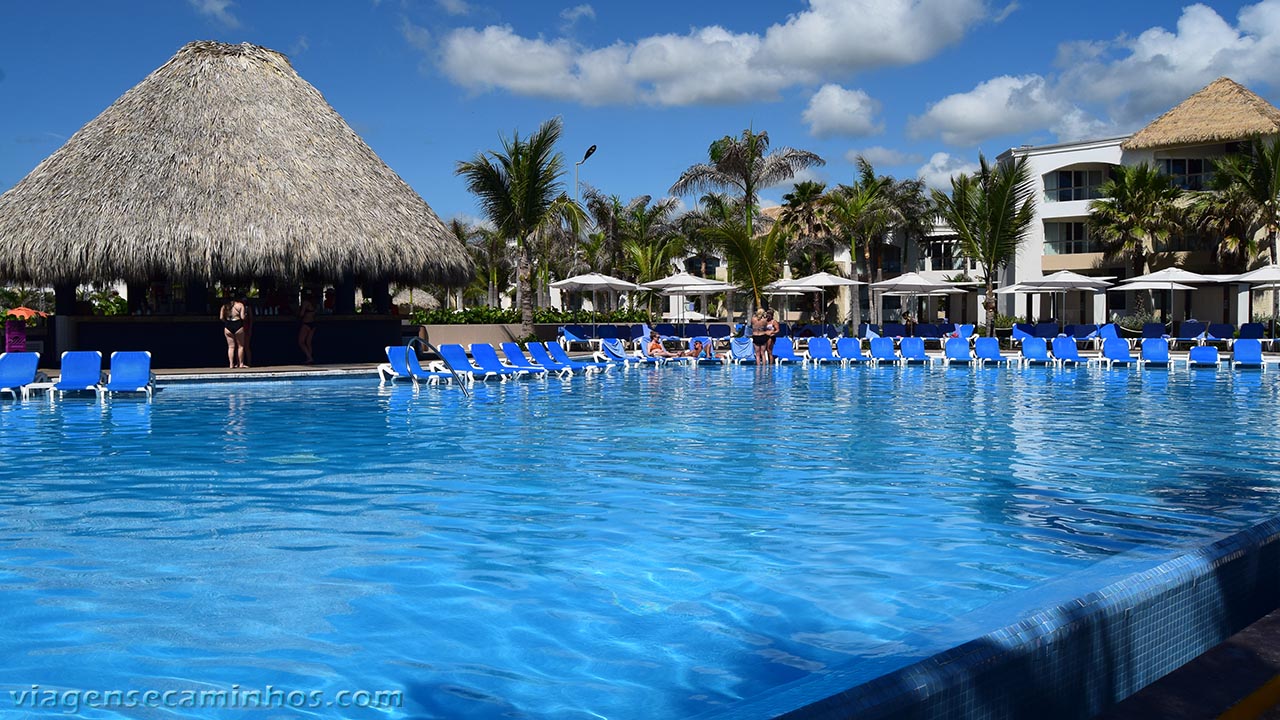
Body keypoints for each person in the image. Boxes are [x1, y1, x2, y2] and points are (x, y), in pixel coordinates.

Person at [219, 296, 247, 369]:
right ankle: (241, 364)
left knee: (231, 347)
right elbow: (242, 317)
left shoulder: (224, 306)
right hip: (238, 324)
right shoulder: (240, 305)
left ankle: (231, 364)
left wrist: (226, 321)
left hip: (228, 325)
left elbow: (221, 317)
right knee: (240, 346)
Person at [298, 291, 317, 364]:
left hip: (306, 324)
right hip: (313, 324)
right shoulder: (314, 303)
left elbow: (301, 314)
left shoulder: (305, 303)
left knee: (301, 342)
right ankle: (309, 358)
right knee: (308, 342)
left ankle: (309, 357)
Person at [239, 295, 253, 368]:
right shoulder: (238, 308)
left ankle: (249, 362)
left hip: (246, 328)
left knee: (246, 347)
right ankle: (239, 362)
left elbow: (250, 319)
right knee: (239, 347)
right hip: (239, 329)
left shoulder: (248, 308)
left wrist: (250, 329)